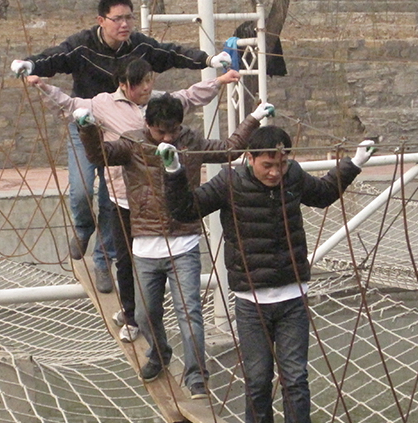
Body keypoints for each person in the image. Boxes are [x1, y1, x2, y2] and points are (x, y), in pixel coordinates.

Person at [161, 126, 374, 423]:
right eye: (268, 165)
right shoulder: (229, 182)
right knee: (258, 378)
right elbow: (186, 208)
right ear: (250, 158)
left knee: (295, 379)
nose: (275, 172)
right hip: (251, 302)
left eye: (281, 163)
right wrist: (173, 171)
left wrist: (353, 164)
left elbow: (323, 194)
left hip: (292, 299)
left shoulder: (293, 177)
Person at [11, 0, 231, 294]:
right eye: (118, 19)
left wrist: (207, 60)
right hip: (88, 121)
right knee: (82, 190)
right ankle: (83, 228)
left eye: (129, 18)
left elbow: (172, 55)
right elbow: (55, 58)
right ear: (101, 20)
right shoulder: (82, 45)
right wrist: (31, 66)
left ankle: (103, 261)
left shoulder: (140, 47)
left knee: (112, 198)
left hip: (124, 133)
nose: (125, 24)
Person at [26, 58, 241, 343]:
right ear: (124, 85)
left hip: (163, 200)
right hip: (124, 196)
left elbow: (190, 96)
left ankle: (144, 315)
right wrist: (43, 87)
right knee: (126, 259)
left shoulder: (162, 103)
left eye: (150, 81)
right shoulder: (103, 104)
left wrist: (219, 81)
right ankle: (130, 315)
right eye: (140, 84)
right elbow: (69, 105)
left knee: (157, 265)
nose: (147, 88)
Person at [77, 94, 275, 400]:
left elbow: (229, 149)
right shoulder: (131, 143)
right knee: (145, 315)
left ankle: (197, 377)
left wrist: (255, 117)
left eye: (174, 130)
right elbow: (99, 155)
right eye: (161, 132)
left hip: (184, 242)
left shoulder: (190, 141)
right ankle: (159, 353)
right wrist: (87, 128)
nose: (168, 138)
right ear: (147, 125)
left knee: (190, 313)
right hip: (145, 245)